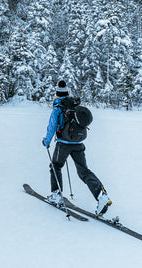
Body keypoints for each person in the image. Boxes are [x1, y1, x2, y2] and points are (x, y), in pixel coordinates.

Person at [42, 80, 112, 216]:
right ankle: (101, 195)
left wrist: (46, 141)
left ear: (57, 94)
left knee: (55, 166)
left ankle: (56, 194)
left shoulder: (58, 108)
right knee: (84, 171)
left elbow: (51, 127)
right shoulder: (75, 106)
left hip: (63, 143)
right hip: (78, 144)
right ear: (67, 93)